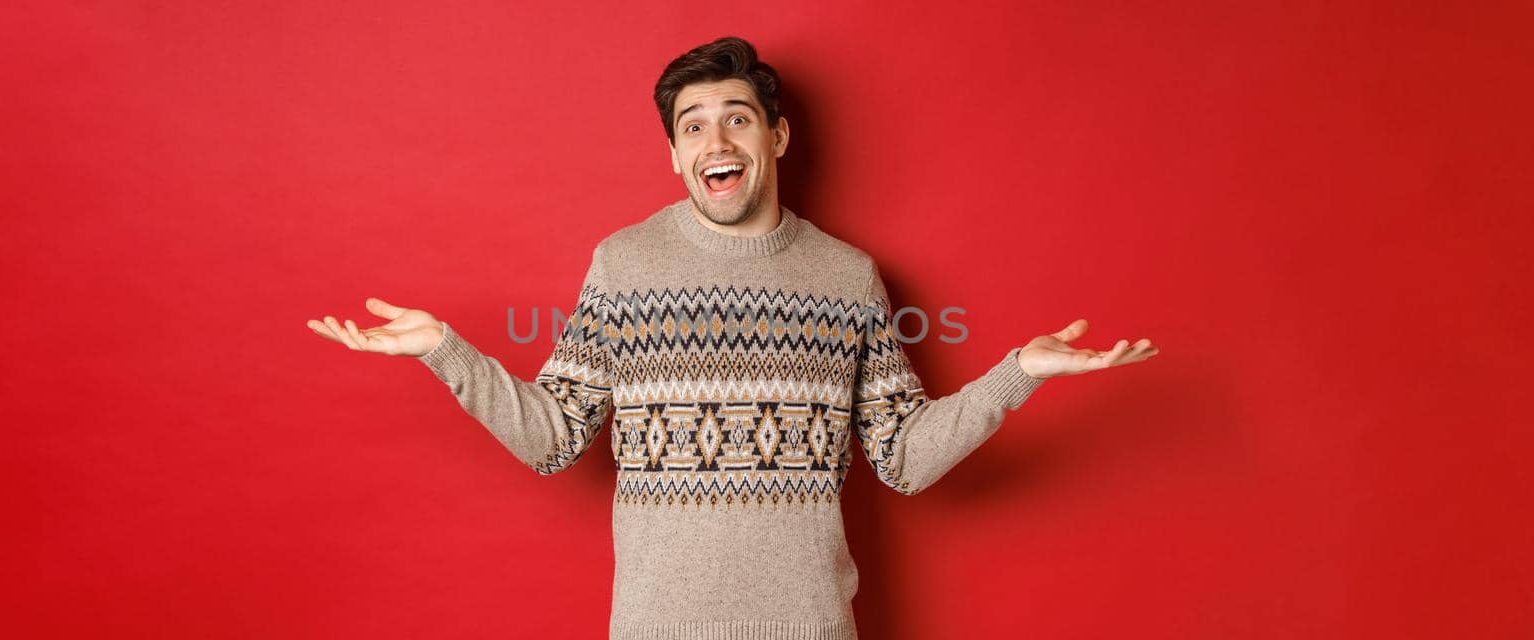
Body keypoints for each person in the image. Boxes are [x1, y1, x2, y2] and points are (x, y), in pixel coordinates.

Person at [307, 35, 1157, 640]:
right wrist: (444, 352)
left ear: (776, 136)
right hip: (655, 628)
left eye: (738, 118)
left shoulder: (847, 277)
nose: (716, 139)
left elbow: (902, 456)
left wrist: (1020, 372)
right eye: (693, 125)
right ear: (675, 155)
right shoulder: (625, 263)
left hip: (810, 626)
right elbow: (556, 437)